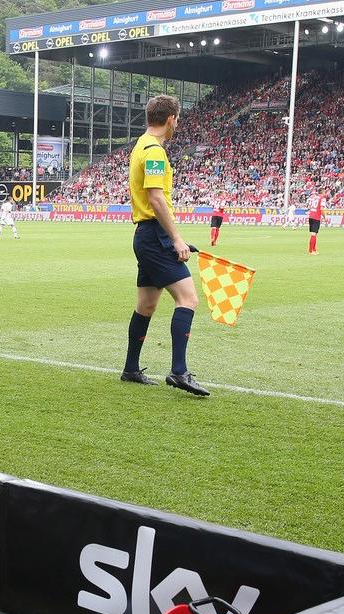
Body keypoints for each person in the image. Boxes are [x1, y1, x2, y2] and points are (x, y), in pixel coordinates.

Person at [118, 95, 207, 398]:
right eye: (177, 119)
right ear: (170, 119)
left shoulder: (141, 144)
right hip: (154, 234)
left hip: (146, 235)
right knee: (189, 298)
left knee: (146, 304)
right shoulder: (155, 151)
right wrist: (176, 239)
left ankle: (131, 368)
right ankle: (179, 371)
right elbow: (156, 199)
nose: (177, 124)